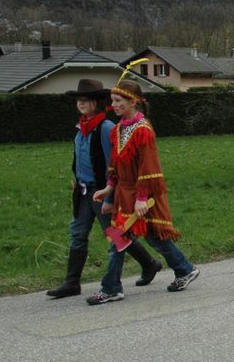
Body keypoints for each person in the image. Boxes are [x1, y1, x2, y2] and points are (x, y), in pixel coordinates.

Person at [46, 79, 163, 299]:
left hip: (101, 192)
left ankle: (148, 264)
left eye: (85, 100)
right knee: (78, 233)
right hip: (82, 191)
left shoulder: (106, 127)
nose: (80, 104)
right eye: (78, 100)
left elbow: (115, 164)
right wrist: (77, 178)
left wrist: (111, 194)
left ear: (96, 102)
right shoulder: (81, 128)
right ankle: (72, 282)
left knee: (116, 233)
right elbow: (81, 157)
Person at [88, 80, 200, 304]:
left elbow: (148, 168)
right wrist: (109, 188)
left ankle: (111, 288)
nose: (114, 105)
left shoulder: (143, 131)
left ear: (133, 101)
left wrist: (141, 199)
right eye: (112, 101)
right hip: (125, 194)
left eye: (118, 101)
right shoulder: (119, 129)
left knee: (119, 239)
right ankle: (184, 269)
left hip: (142, 196)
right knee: (152, 238)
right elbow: (116, 164)